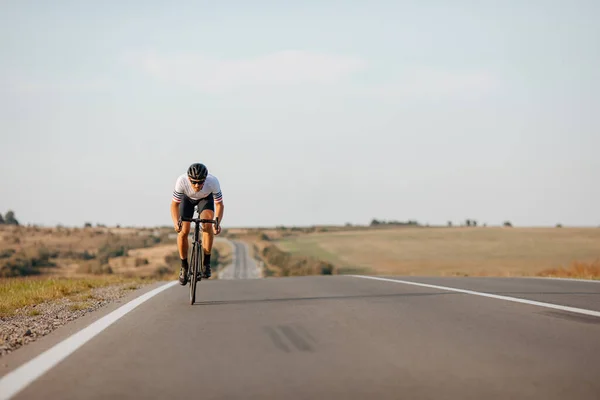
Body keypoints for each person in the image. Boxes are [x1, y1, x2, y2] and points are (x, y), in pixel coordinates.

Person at [170, 162, 224, 285]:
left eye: (200, 182)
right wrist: (175, 222)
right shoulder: (181, 181)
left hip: (205, 199)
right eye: (193, 182)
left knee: (207, 224)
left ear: (205, 180)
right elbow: (174, 205)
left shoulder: (213, 182)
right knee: (183, 231)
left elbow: (219, 204)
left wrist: (217, 222)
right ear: (188, 179)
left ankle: (206, 263)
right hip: (187, 199)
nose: (197, 185)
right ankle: (184, 266)